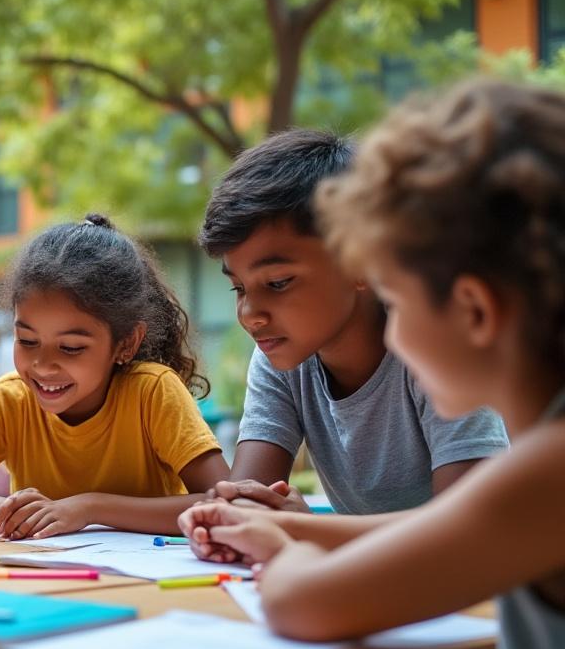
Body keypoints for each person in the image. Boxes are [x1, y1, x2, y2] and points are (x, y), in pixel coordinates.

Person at [183, 79, 565, 649]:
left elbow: (300, 603)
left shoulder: (549, 472)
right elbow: (455, 533)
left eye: (397, 298)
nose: (393, 331)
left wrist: (287, 550)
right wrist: (286, 528)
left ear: (474, 310)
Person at [197, 128, 506, 516]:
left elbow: (466, 526)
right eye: (238, 288)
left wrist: (305, 528)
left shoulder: (437, 347)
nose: (249, 314)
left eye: (277, 283)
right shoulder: (283, 358)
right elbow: (248, 503)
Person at [0, 214, 228, 538]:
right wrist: (1, 512)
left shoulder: (152, 392)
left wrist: (91, 508)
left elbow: (224, 504)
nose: (43, 365)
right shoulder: (9, 399)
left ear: (126, 343)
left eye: (70, 348)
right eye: (27, 341)